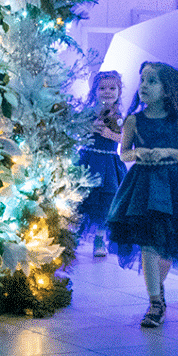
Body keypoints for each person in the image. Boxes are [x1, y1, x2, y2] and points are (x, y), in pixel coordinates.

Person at [107, 61, 178, 329]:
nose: (144, 86)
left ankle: (158, 290)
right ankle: (155, 301)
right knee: (148, 243)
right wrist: (138, 153)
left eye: (152, 81)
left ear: (167, 90)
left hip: (172, 185)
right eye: (142, 80)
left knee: (169, 246)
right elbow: (124, 152)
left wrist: (168, 152)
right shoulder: (133, 120)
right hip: (142, 187)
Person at [77, 70, 126, 258]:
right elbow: (77, 132)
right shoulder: (90, 112)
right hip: (89, 160)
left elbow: (124, 139)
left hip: (109, 163)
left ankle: (99, 238)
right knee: (83, 199)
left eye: (112, 88)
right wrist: (89, 127)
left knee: (106, 203)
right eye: (102, 88)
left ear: (119, 91)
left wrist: (110, 134)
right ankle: (74, 235)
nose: (108, 92)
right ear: (94, 91)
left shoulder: (120, 115)